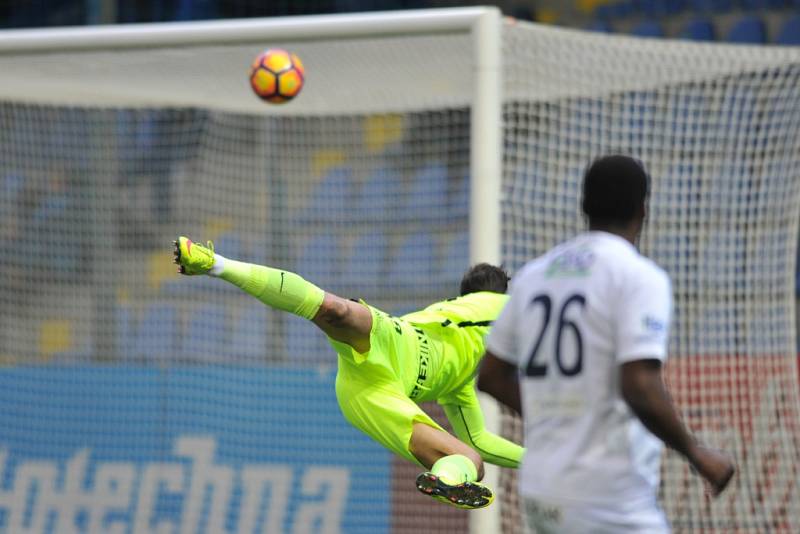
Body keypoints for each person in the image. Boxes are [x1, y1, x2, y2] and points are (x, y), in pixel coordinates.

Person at [477, 155, 735, 533]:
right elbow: (640, 385)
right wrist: (697, 453)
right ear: (642, 209)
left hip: (541, 489)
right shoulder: (638, 278)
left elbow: (492, 377)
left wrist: (556, 415)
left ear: (584, 206)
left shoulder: (534, 276)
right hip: (606, 495)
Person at [173, 237, 524, 509]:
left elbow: (479, 440)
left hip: (372, 393)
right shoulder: (495, 306)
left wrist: (532, 457)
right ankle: (213, 263)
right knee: (335, 308)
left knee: (472, 460)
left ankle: (446, 481)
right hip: (395, 341)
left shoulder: (460, 381)